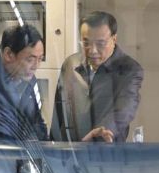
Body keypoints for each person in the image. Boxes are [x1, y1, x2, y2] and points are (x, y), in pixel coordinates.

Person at [51, 11, 144, 143]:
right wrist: (51, 145)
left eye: (100, 44)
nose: (92, 51)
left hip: (104, 149)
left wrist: (101, 133)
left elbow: (124, 110)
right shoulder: (71, 64)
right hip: (68, 150)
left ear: (114, 39)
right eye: (86, 43)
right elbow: (59, 111)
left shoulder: (129, 69)